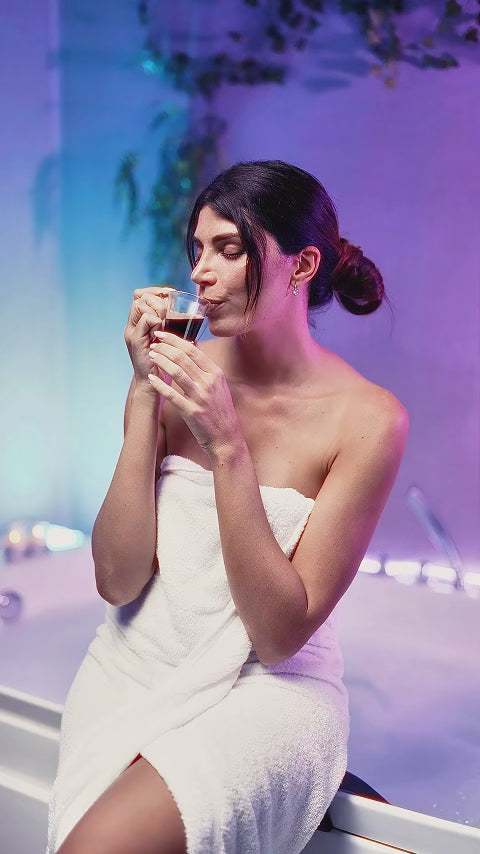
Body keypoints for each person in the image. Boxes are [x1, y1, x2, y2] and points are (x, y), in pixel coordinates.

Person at [48, 160, 408, 854]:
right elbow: (117, 581)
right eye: (198, 250)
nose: (201, 273)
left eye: (230, 249)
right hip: (135, 667)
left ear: (303, 265)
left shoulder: (368, 420)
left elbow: (278, 637)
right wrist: (143, 393)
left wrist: (227, 446)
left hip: (270, 690)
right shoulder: (179, 372)